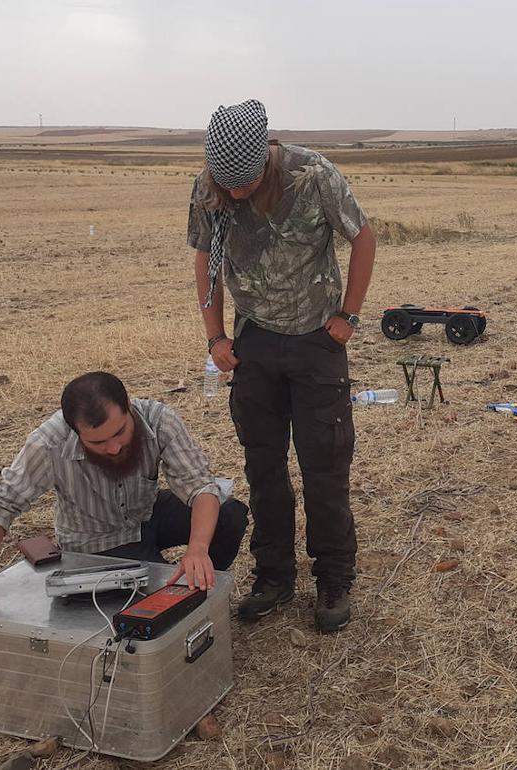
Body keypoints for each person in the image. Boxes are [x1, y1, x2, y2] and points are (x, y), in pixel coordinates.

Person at [187, 99, 376, 633]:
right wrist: (216, 337)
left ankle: (334, 576)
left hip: (317, 341)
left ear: (265, 160)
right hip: (256, 346)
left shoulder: (312, 174)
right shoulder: (209, 187)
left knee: (325, 467)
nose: (236, 194)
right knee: (263, 468)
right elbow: (207, 258)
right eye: (228, 186)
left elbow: (362, 236)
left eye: (245, 183)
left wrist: (349, 316)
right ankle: (273, 574)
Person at [0, 371, 249, 618]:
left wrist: (197, 549)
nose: (113, 447)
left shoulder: (158, 419)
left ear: (129, 409)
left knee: (229, 513)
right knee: (155, 606)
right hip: (97, 544)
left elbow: (200, 486)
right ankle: (178, 599)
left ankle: (202, 587)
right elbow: (1, 504)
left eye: (120, 432)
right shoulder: (49, 443)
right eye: (97, 443)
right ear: (75, 431)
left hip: (147, 513)